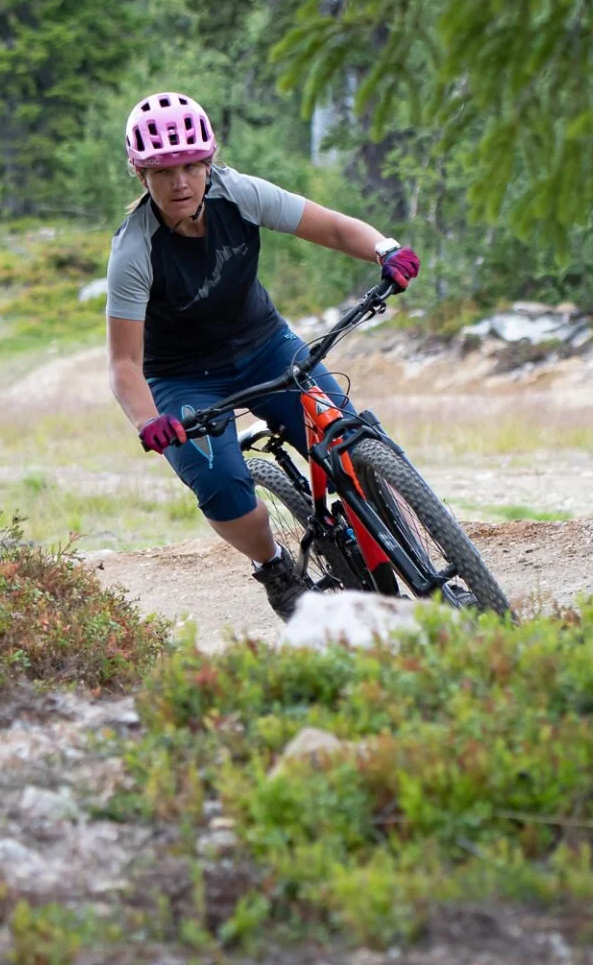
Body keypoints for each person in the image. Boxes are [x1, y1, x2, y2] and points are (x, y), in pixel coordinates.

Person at [104, 91, 420, 622]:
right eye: (163, 171)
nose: (180, 181)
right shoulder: (134, 251)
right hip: (184, 380)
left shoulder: (239, 194)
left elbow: (334, 227)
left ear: (209, 161)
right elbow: (123, 365)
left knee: (349, 437)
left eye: (190, 165)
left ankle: (409, 539)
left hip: (266, 346)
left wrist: (384, 249)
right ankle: (274, 567)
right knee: (221, 483)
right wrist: (148, 420)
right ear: (141, 175)